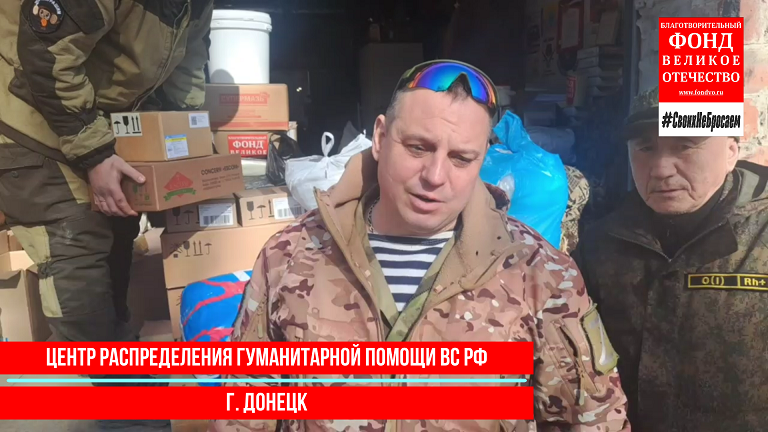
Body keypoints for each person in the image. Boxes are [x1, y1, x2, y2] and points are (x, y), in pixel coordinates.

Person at [210, 60, 630, 432]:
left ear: (482, 159)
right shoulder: (291, 257)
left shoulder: (538, 273)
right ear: (380, 138)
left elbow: (594, 418)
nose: (434, 175)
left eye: (461, 158)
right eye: (418, 147)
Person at [0, 0, 213, 423]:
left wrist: (184, 145)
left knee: (118, 245)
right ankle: (123, 409)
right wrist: (95, 153)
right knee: (79, 260)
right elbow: (45, 51)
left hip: (101, 125)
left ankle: (125, 386)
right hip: (28, 119)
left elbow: (188, 67)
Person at [573, 85, 768, 431]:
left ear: (730, 151)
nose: (661, 169)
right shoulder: (601, 244)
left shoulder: (760, 235)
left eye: (685, 145)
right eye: (645, 148)